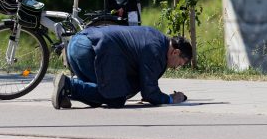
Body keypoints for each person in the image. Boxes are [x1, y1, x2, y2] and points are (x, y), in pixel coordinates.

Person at [51, 25, 191, 109]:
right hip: (91, 49)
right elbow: (149, 92)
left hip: (76, 43)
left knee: (97, 99)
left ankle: (64, 91)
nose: (175, 68)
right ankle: (69, 86)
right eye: (179, 63)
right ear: (176, 52)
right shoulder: (156, 51)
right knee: (115, 98)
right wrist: (171, 99)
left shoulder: (156, 37)